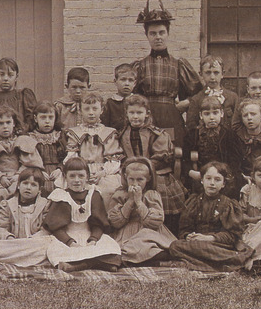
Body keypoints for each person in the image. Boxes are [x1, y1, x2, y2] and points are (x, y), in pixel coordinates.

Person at [132, 0, 202, 144]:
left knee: (172, 154)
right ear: (147, 36)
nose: (158, 37)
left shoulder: (178, 65)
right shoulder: (140, 66)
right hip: (146, 117)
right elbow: (132, 97)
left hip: (171, 116)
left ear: (168, 34)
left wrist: (185, 103)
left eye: (161, 32)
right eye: (153, 33)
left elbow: (198, 92)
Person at [117, 94, 185, 234]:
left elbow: (161, 158)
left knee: (158, 188)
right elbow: (121, 155)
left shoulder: (156, 134)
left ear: (147, 114)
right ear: (127, 114)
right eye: (132, 113)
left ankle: (163, 229)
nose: (135, 116)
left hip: (154, 172)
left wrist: (144, 168)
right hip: (131, 174)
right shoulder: (122, 134)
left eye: (139, 113)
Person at [168, 161, 253, 272]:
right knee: (175, 246)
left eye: (217, 180)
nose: (212, 183)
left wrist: (209, 238)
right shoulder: (194, 202)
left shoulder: (228, 204)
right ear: (202, 181)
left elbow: (232, 236)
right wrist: (188, 236)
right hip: (197, 244)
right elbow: (184, 229)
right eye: (208, 178)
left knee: (208, 248)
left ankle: (200, 263)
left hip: (218, 246)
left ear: (223, 184)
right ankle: (223, 264)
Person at [44, 157, 123, 273]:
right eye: (72, 176)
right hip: (67, 237)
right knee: (55, 251)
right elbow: (56, 228)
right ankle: (97, 264)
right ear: (65, 177)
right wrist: (70, 242)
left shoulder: (93, 194)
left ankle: (81, 265)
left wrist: (93, 240)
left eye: (81, 176)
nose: (77, 180)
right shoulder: (61, 196)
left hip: (89, 236)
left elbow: (98, 224)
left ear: (87, 176)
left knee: (112, 248)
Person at [106, 157, 177, 265]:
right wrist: (130, 201)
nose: (135, 184)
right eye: (131, 179)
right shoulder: (120, 195)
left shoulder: (151, 194)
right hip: (126, 232)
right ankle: (147, 260)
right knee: (122, 248)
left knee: (147, 243)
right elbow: (115, 222)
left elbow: (155, 222)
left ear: (148, 178)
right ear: (125, 177)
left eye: (140, 180)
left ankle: (143, 259)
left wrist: (139, 202)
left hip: (149, 231)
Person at [0, 104, 43, 214]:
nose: (5, 126)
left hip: (19, 176)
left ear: (14, 123)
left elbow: (29, 163)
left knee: (21, 190)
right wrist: (0, 177)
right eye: (0, 123)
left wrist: (18, 175)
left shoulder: (23, 140)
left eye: (8, 122)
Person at [0, 166, 55, 270]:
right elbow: (2, 228)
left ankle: (17, 260)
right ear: (18, 186)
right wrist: (8, 237)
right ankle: (32, 260)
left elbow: (46, 229)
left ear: (39, 189)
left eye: (33, 185)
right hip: (15, 243)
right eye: (25, 183)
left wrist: (34, 239)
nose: (28, 187)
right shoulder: (8, 204)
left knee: (49, 245)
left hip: (34, 243)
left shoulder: (45, 205)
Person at [62, 92, 124, 200]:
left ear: (102, 110)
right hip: (80, 170)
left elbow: (114, 160)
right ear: (80, 111)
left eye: (95, 109)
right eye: (87, 109)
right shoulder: (74, 133)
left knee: (110, 189)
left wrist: (102, 173)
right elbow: (71, 158)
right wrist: (83, 173)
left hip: (103, 172)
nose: (91, 113)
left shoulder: (109, 133)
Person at [182, 95, 241, 197]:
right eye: (207, 114)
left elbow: (235, 160)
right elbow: (184, 158)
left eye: (215, 113)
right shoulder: (193, 135)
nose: (211, 117)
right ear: (201, 115)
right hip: (200, 175)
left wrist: (226, 173)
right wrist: (191, 172)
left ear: (221, 113)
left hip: (223, 175)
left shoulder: (229, 134)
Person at [0, 57, 37, 133]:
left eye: (10, 75)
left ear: (16, 77)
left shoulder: (24, 95)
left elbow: (31, 121)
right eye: (1, 74)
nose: (5, 78)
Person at [183, 55, 239, 129]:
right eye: (208, 73)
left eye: (216, 73)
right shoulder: (196, 99)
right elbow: (191, 127)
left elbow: (238, 124)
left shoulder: (232, 98)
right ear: (201, 74)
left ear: (222, 74)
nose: (212, 77)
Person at [29, 101, 66, 195]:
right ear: (35, 118)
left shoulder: (60, 136)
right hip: (38, 170)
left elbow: (66, 156)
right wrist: (38, 171)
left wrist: (60, 169)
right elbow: (28, 159)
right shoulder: (30, 137)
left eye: (50, 117)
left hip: (58, 171)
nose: (47, 121)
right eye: (43, 117)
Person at [102, 63, 138, 131]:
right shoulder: (109, 104)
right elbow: (105, 126)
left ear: (135, 83)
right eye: (123, 79)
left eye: (130, 80)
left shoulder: (138, 102)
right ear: (115, 81)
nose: (127, 83)